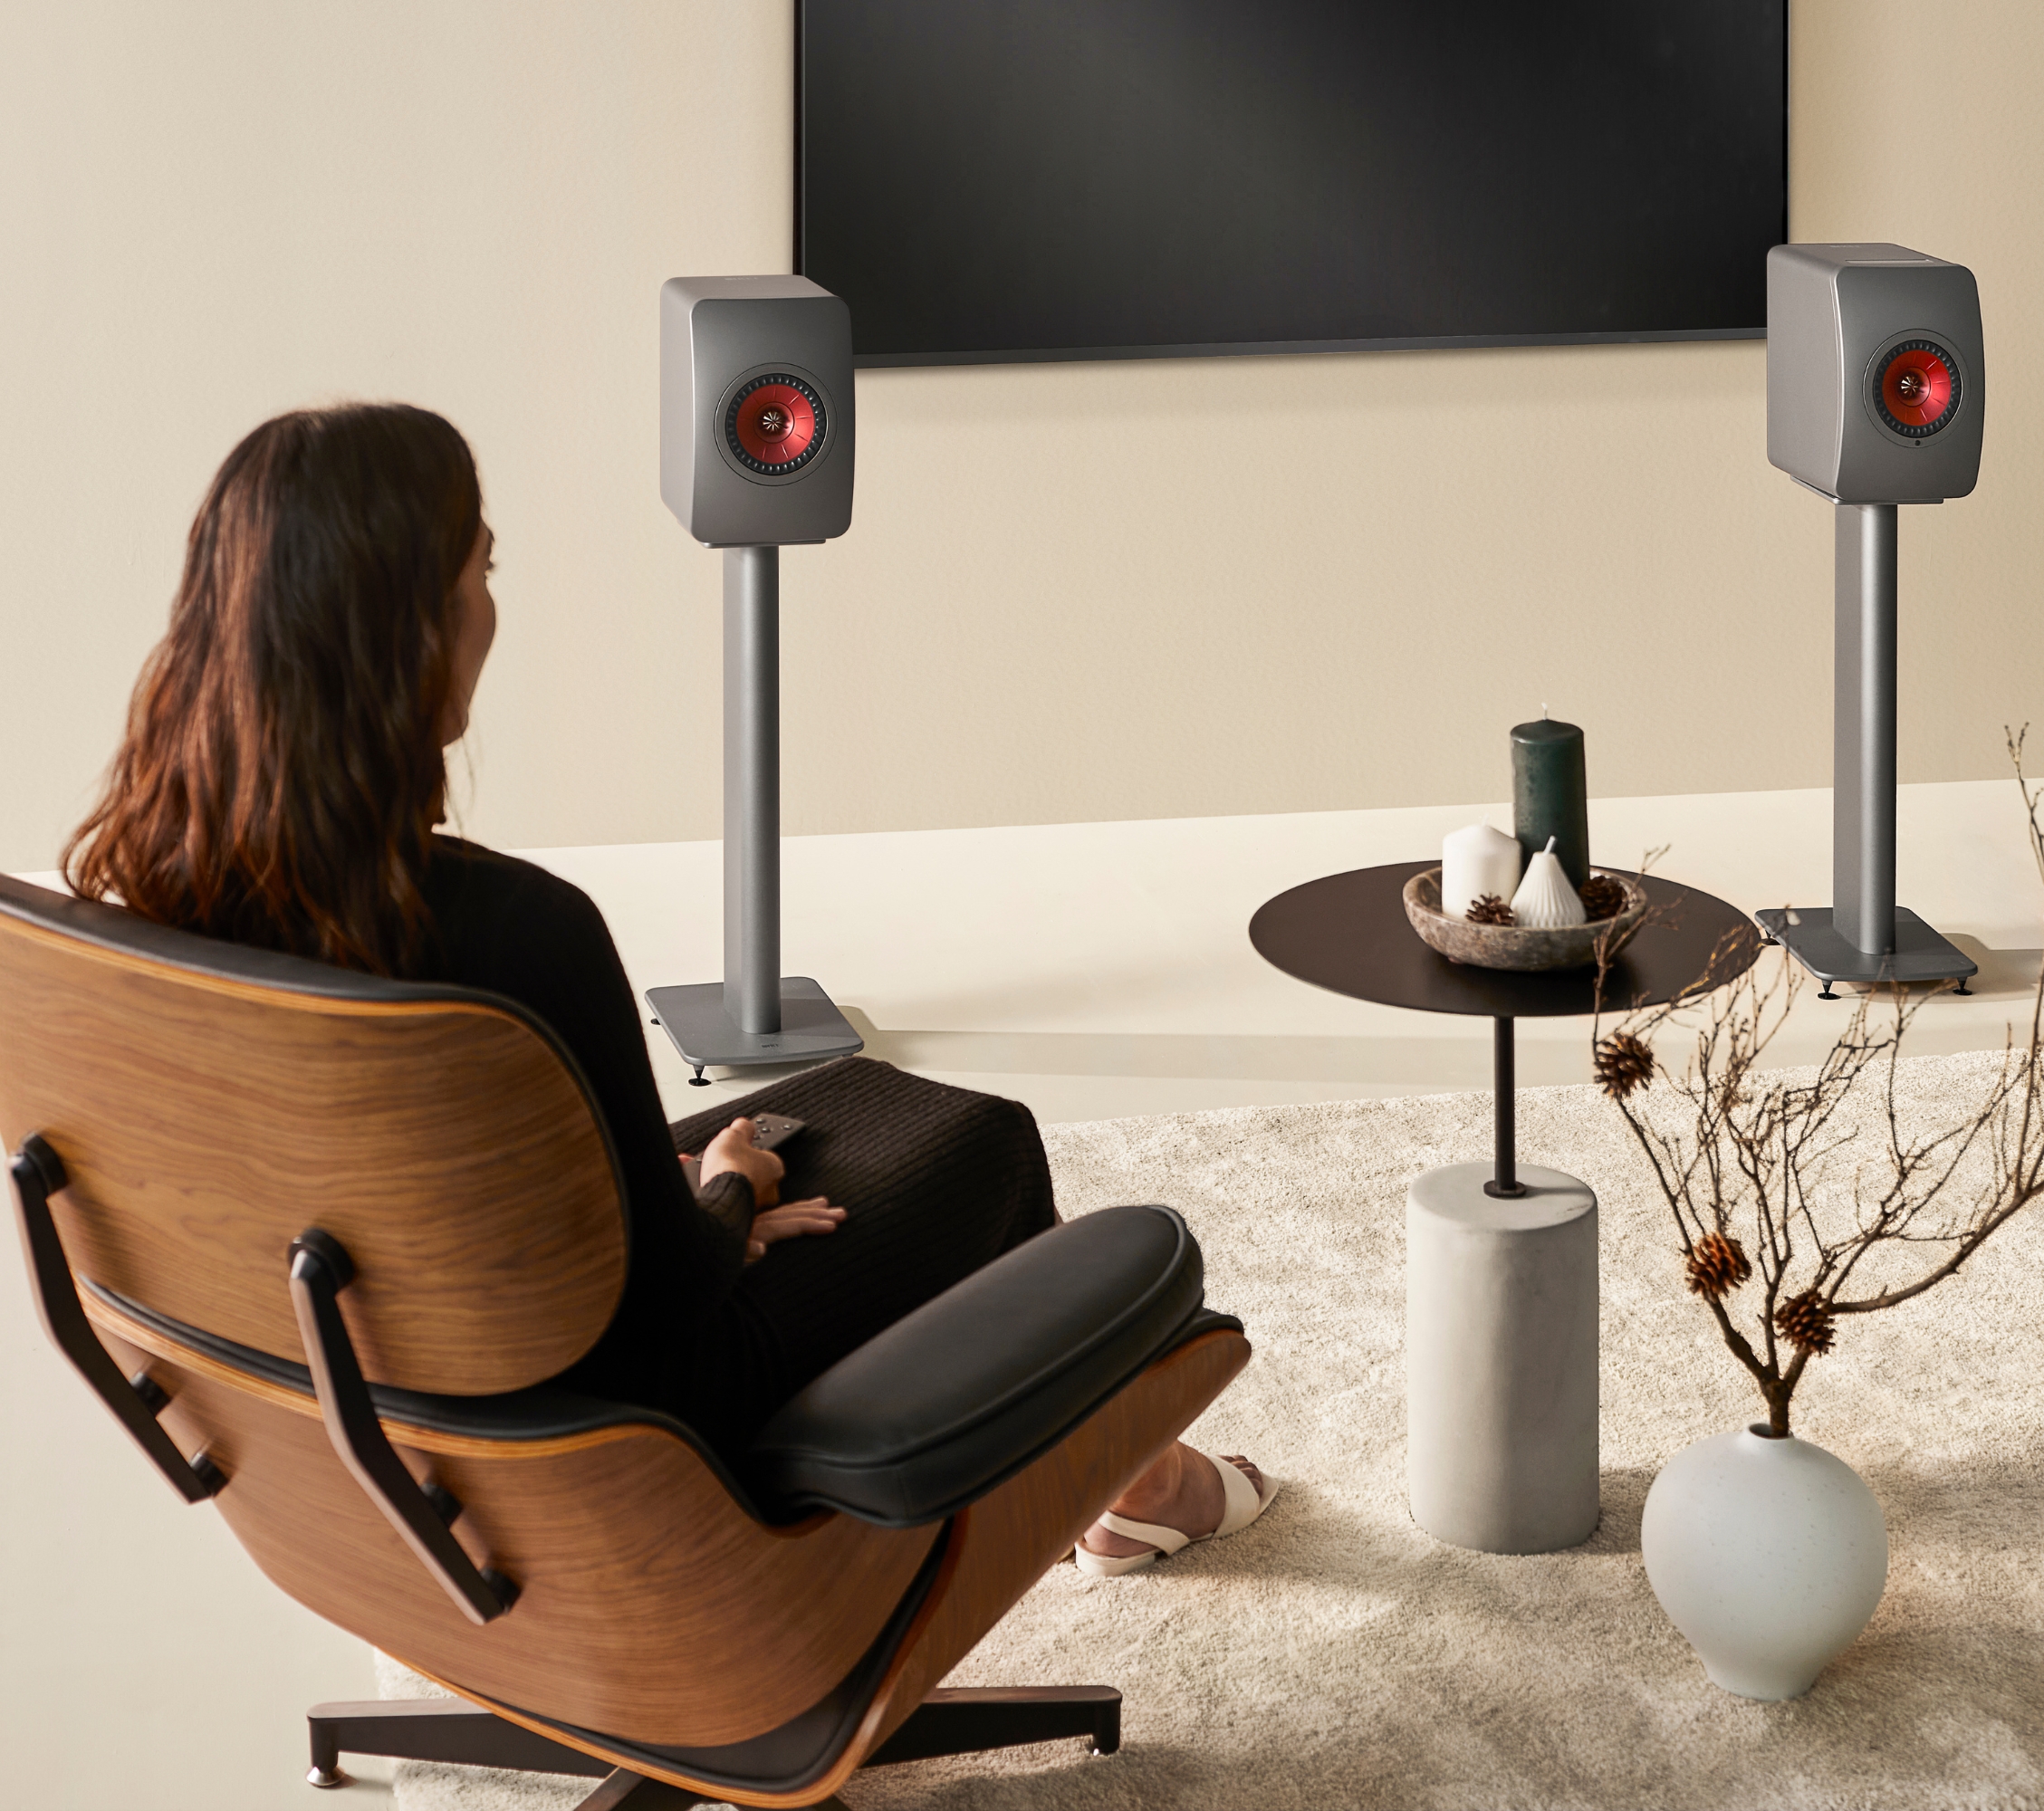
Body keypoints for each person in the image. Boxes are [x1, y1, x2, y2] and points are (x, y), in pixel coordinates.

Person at [62, 403, 1267, 1575]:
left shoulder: (138, 912)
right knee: (982, 1143)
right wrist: (725, 1205)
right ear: (415, 634)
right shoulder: (518, 938)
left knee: (852, 1101)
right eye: (482, 570)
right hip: (632, 1428)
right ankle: (1138, 1488)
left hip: (363, 1399)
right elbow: (662, 1315)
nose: (492, 607)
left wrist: (672, 1190)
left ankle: (1124, 1481)